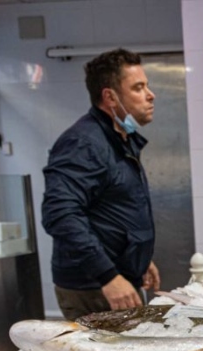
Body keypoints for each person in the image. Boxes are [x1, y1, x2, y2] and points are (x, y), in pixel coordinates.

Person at [42, 48, 160, 321]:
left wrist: (138, 258)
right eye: (138, 88)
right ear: (110, 97)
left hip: (119, 277)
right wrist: (108, 276)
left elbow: (112, 208)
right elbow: (60, 215)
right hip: (95, 287)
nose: (150, 95)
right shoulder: (83, 143)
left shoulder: (120, 138)